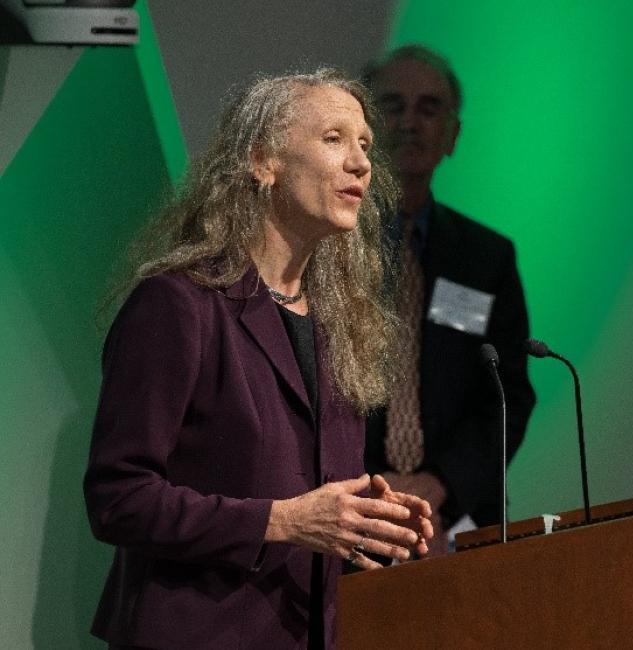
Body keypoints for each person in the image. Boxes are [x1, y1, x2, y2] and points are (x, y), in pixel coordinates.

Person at [83, 68, 434, 650]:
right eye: (334, 139)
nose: (362, 163)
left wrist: (368, 521)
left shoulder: (338, 322)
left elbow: (304, 495)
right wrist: (283, 521)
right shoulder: (177, 305)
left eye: (366, 145)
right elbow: (118, 499)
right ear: (262, 160)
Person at [363, 45, 536, 554]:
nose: (411, 122)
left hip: (453, 519)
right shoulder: (323, 247)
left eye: (429, 108)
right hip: (346, 513)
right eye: (393, 106)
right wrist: (375, 494)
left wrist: (438, 487)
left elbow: (507, 397)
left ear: (452, 135)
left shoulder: (486, 258)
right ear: (364, 129)